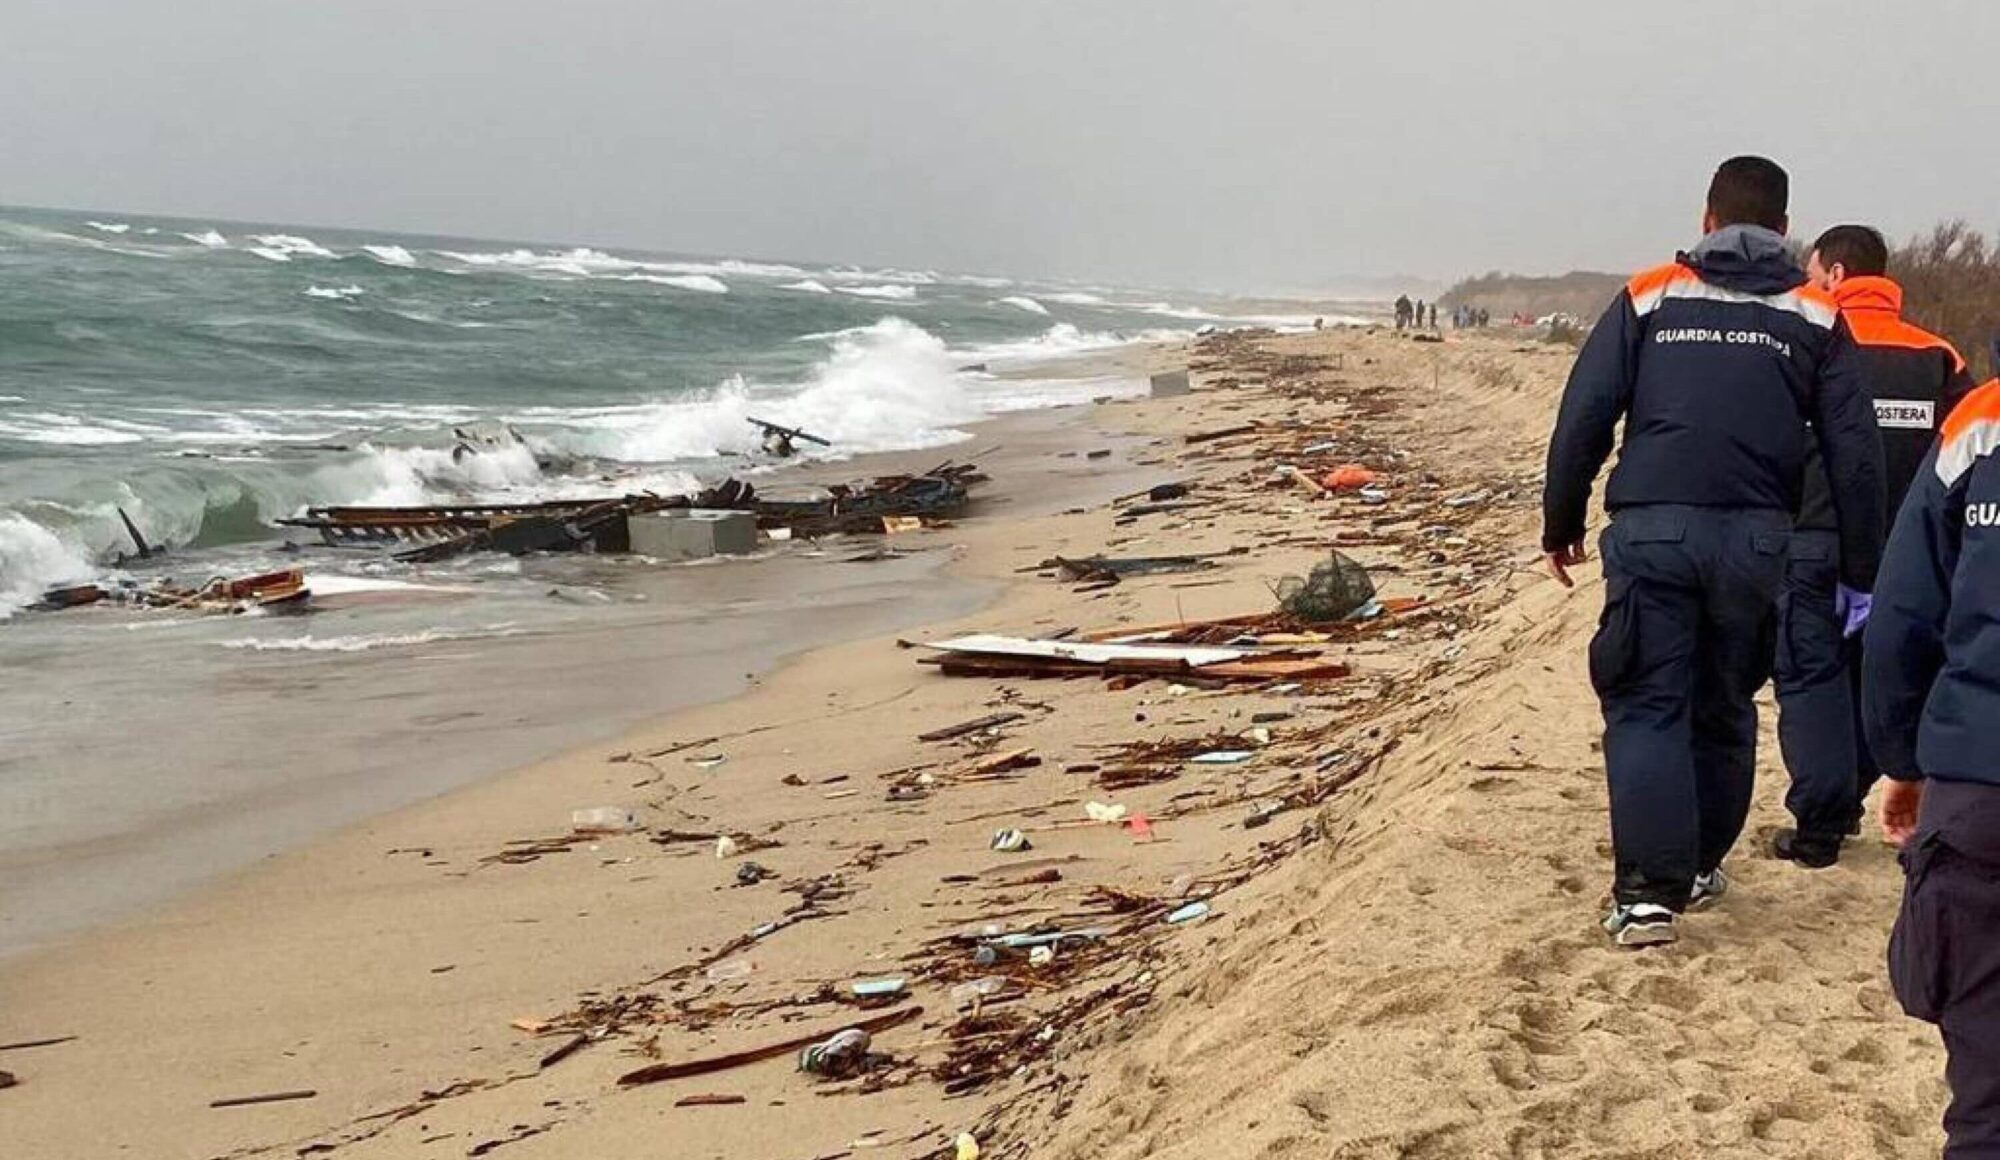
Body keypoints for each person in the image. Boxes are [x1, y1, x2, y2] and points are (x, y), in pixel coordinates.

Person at [1540, 155, 1885, 947]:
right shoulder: (1817, 315)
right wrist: (1862, 571)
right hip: (1759, 541)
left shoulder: (1651, 293)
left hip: (1655, 529)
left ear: (1705, 220)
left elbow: (1585, 415)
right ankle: (1696, 867)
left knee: (1648, 700)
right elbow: (1855, 456)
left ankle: (1647, 896)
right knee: (1725, 705)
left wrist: (1560, 523)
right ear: (1786, 230)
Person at [1771, 225, 1975, 868]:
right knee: (1876, 674)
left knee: (1809, 677)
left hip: (1813, 537)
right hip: (1904, 555)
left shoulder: (1805, 339)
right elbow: (1968, 459)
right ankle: (1854, 794)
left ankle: (1821, 821)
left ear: (1834, 274)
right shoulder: (1939, 356)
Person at [1865, 380, 2000, 1154]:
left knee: (1987, 1098)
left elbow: (1903, 616)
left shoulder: (1982, 422)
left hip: (1980, 788)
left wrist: (1906, 759)